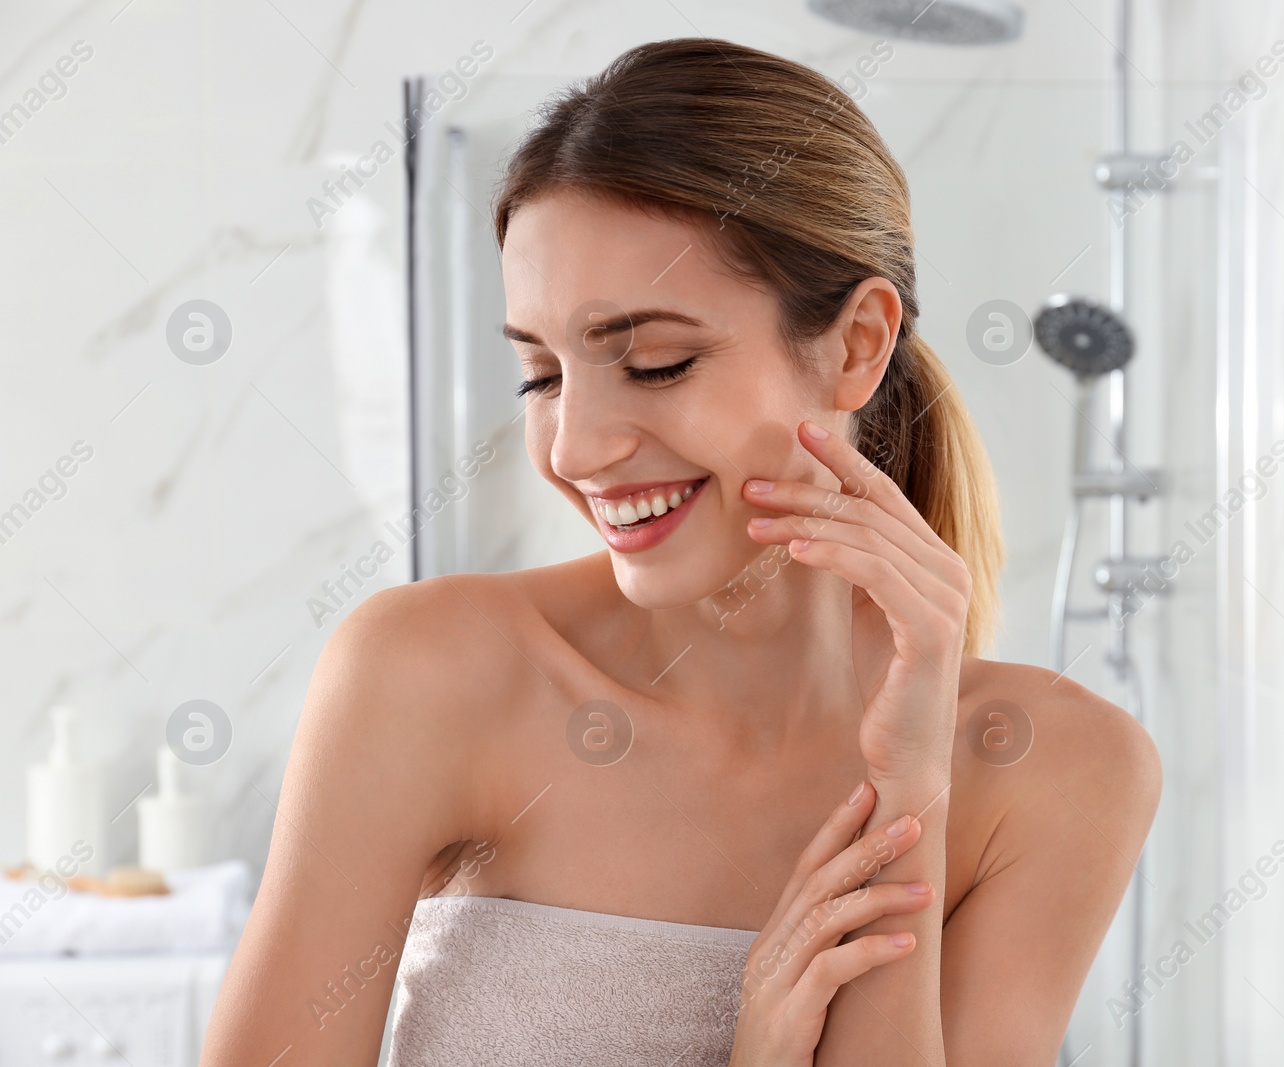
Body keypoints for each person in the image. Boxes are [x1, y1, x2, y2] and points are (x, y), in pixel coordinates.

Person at [201, 37, 1160, 1067]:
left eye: (656, 362)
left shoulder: (1057, 770)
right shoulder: (432, 674)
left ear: (855, 344)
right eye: (541, 374)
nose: (575, 447)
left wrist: (909, 785)